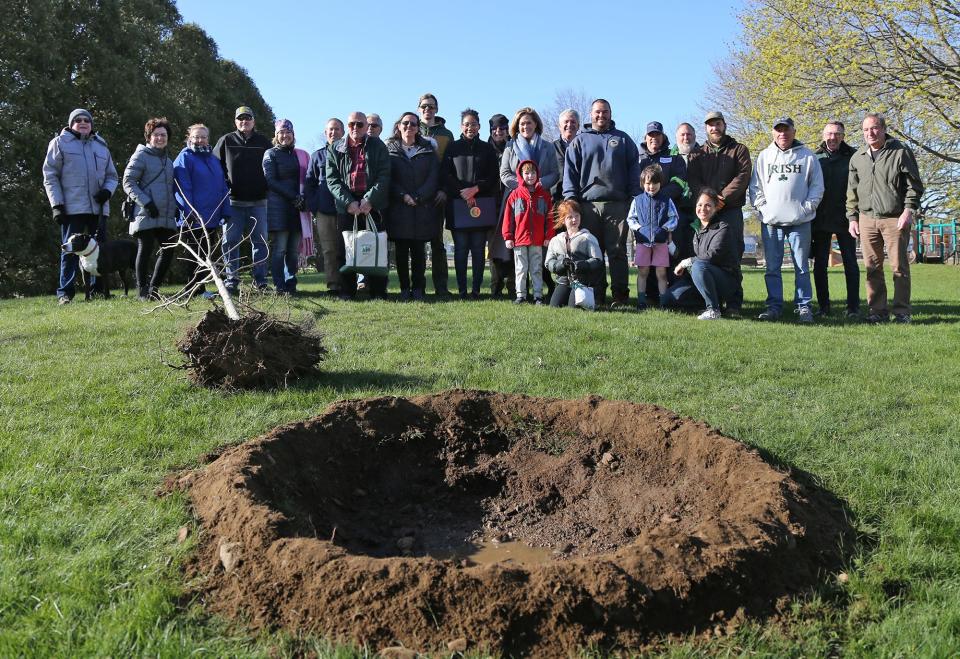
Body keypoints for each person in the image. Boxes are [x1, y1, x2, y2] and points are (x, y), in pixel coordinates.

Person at [563, 98, 642, 307]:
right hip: (588, 206)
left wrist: (635, 196)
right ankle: (596, 296)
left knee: (617, 252)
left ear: (610, 114)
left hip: (617, 205)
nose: (601, 115)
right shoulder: (579, 141)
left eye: (605, 112)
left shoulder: (623, 139)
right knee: (593, 252)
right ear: (591, 114)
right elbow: (570, 172)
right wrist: (570, 199)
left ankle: (620, 296)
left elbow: (634, 169)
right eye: (597, 112)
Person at [847, 113, 923, 324]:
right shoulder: (858, 157)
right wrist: (852, 218)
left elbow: (914, 185)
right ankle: (877, 312)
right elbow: (851, 191)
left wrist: (908, 211)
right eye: (865, 130)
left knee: (899, 267)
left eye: (874, 128)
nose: (870, 133)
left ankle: (901, 313)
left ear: (883, 129)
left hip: (894, 218)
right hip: (866, 219)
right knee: (872, 268)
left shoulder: (900, 152)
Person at [749, 117, 824, 323]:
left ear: (794, 131)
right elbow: (755, 188)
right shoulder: (764, 157)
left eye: (786, 130)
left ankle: (803, 307)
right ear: (773, 133)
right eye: (778, 130)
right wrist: (764, 210)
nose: (782, 134)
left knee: (801, 267)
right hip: (771, 222)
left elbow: (817, 187)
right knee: (772, 267)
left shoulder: (808, 157)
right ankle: (774, 307)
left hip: (800, 222)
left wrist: (805, 209)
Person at [43, 108, 119, 304]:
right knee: (68, 252)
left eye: (87, 120)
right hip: (71, 208)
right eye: (78, 120)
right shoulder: (58, 143)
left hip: (99, 209)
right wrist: (56, 205)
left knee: (99, 252)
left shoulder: (101, 146)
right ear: (71, 124)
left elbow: (112, 176)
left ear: (91, 124)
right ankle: (65, 294)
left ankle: (97, 291)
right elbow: (50, 176)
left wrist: (107, 191)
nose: (83, 122)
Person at [686, 111, 751, 316]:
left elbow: (743, 176)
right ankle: (710, 302)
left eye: (718, 123)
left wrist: (721, 199)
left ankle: (733, 304)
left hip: (730, 210)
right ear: (706, 128)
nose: (714, 127)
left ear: (724, 125)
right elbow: (693, 180)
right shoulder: (697, 154)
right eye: (710, 125)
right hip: (706, 212)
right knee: (704, 255)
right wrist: (708, 202)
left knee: (732, 256)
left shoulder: (739, 150)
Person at [325, 111, 391, 300]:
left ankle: (378, 291)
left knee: (377, 248)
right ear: (347, 126)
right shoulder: (335, 148)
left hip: (373, 204)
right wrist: (349, 202)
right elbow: (332, 180)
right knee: (345, 250)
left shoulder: (377, 145)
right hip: (347, 206)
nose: (356, 128)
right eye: (352, 124)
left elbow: (384, 175)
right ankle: (347, 291)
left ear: (366, 126)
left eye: (360, 124)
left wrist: (369, 200)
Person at [498, 107, 561, 301]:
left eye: (529, 123)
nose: (526, 126)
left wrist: (541, 184)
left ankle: (539, 293)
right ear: (517, 126)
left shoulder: (547, 147)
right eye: (522, 123)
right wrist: (522, 186)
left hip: (541, 201)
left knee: (537, 258)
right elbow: (504, 173)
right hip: (517, 201)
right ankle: (518, 292)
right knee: (519, 260)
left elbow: (554, 173)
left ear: (536, 125)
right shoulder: (510, 147)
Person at [442, 108, 499, 299]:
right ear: (461, 126)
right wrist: (463, 192)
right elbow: (446, 175)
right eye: (467, 124)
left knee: (477, 250)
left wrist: (475, 189)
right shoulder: (452, 148)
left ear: (479, 126)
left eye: (473, 124)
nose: (470, 127)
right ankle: (462, 290)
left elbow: (493, 177)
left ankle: (475, 290)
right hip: (458, 206)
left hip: (480, 206)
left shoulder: (487, 149)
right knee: (460, 250)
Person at [214, 106, 272, 294]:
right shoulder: (226, 141)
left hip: (259, 202)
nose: (244, 121)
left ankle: (260, 281)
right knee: (230, 242)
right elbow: (215, 167)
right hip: (233, 203)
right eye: (240, 118)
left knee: (260, 242)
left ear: (254, 121)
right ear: (235, 122)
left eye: (248, 118)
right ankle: (232, 280)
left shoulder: (263, 142)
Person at [385, 111, 440, 301]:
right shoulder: (389, 150)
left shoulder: (428, 149)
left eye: (413, 124)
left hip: (422, 208)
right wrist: (403, 195)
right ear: (399, 126)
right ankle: (404, 288)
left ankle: (418, 288)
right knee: (401, 252)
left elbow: (433, 178)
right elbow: (387, 178)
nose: (409, 127)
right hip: (399, 208)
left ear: (418, 128)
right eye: (405, 123)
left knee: (419, 252)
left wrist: (418, 196)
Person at [173, 123, 232, 299]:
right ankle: (191, 290)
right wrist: (189, 211)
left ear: (208, 138)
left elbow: (222, 186)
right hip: (193, 217)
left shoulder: (213, 159)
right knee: (194, 256)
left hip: (212, 216)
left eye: (203, 136)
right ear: (189, 138)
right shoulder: (184, 157)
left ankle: (200, 289)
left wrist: (225, 209)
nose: (200, 140)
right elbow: (182, 187)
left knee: (206, 255)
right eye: (196, 136)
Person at [123, 117, 177, 301]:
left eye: (163, 135)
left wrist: (175, 207)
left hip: (166, 213)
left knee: (168, 250)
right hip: (145, 211)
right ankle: (142, 291)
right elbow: (128, 182)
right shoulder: (141, 156)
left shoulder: (169, 162)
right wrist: (146, 202)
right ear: (149, 137)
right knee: (145, 249)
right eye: (156, 135)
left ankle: (154, 288)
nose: (160, 138)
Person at [811, 121, 859, 318]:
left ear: (843, 135)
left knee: (850, 263)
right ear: (823, 135)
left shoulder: (854, 156)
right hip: (820, 220)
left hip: (846, 218)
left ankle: (853, 307)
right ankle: (823, 307)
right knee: (820, 264)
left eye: (837, 134)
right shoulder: (814, 158)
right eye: (829, 134)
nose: (833, 138)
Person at [638, 120, 688, 301]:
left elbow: (680, 182)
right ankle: (650, 296)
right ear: (646, 138)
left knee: (670, 254)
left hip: (668, 214)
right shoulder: (639, 159)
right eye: (651, 135)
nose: (654, 139)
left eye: (657, 135)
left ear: (663, 137)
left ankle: (672, 295)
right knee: (646, 258)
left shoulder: (674, 158)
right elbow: (635, 185)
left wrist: (660, 196)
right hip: (645, 218)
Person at [673, 188, 740, 320]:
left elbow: (712, 255)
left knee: (698, 265)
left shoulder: (723, 228)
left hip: (726, 281)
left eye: (708, 205)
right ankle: (706, 303)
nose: (703, 208)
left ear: (715, 208)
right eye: (700, 205)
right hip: (701, 277)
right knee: (669, 298)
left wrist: (686, 262)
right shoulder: (694, 229)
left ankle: (713, 309)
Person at [627, 165, 679, 310]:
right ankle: (641, 302)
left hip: (661, 242)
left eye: (655, 183)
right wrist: (639, 229)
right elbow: (630, 218)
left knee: (661, 273)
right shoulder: (637, 200)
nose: (651, 186)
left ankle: (663, 303)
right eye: (648, 183)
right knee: (643, 272)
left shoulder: (666, 200)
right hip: (643, 243)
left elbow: (674, 217)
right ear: (643, 184)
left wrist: (664, 229)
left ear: (660, 183)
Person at [502, 160, 554, 304]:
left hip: (537, 240)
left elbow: (550, 218)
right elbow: (508, 218)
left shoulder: (544, 196)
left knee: (536, 268)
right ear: (521, 175)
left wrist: (548, 236)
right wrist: (508, 236)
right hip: (519, 240)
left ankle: (538, 295)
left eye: (533, 173)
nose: (530, 176)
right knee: (521, 268)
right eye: (526, 173)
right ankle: (521, 295)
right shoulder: (514, 195)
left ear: (537, 174)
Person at [262, 119, 305, 295]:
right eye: (281, 132)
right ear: (276, 135)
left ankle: (291, 283)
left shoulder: (298, 155)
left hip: (297, 208)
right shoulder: (270, 154)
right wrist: (293, 196)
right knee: (280, 249)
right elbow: (270, 180)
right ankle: (279, 285)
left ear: (293, 135)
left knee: (293, 251)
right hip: (278, 207)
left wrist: (302, 198)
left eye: (288, 132)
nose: (285, 135)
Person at [418, 93, 454, 296]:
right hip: (417, 195)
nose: (427, 109)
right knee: (418, 244)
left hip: (438, 195)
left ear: (436, 109)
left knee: (437, 243)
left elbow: (449, 167)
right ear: (418, 108)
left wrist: (444, 190)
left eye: (431, 106)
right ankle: (419, 286)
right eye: (424, 106)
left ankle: (441, 286)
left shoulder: (446, 134)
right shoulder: (411, 128)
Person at [304, 118, 345, 295]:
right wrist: (315, 206)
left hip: (346, 209)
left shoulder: (349, 154)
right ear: (325, 132)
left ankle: (349, 285)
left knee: (346, 248)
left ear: (343, 133)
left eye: (337, 129)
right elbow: (309, 184)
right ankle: (333, 285)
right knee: (329, 249)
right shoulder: (317, 156)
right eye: (330, 129)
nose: (333, 132)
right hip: (324, 210)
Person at [544, 200, 603, 308]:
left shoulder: (588, 238)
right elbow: (548, 262)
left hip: (581, 282)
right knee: (554, 306)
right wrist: (560, 265)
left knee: (574, 308)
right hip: (563, 282)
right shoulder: (556, 240)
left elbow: (598, 260)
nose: (574, 219)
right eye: (570, 217)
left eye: (577, 215)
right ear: (563, 220)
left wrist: (582, 265)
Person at [487, 113, 514, 298]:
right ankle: (495, 287)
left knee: (513, 245)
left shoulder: (515, 147)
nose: (499, 132)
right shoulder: (485, 149)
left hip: (512, 201)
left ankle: (514, 287)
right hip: (490, 203)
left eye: (503, 128)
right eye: (495, 129)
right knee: (494, 245)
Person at [670, 122, 701, 261]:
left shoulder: (704, 155)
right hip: (676, 208)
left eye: (689, 134)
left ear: (694, 136)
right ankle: (677, 281)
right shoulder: (669, 157)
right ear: (677, 137)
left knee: (696, 247)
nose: (686, 137)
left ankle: (695, 280)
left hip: (698, 209)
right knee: (677, 247)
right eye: (682, 134)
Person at [552, 109, 580, 201]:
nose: (569, 125)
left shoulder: (585, 148)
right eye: (566, 122)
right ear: (559, 126)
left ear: (578, 126)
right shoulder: (550, 148)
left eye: (573, 122)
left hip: (579, 201)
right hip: (555, 200)